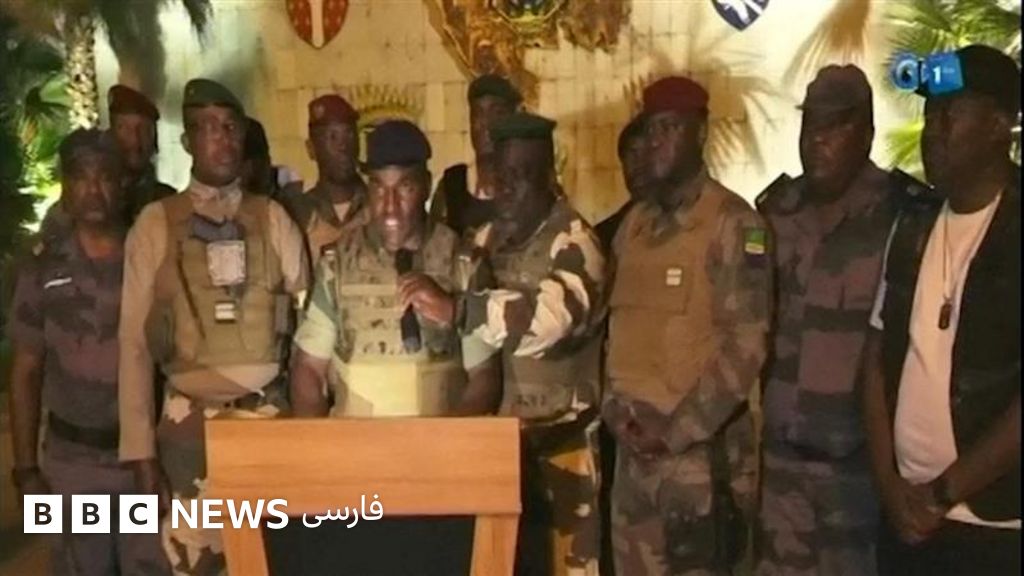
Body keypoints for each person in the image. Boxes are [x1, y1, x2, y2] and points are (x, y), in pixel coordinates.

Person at [274, 119, 501, 575]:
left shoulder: (461, 263)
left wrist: (445, 450)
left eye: (405, 189)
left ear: (427, 187)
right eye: (378, 189)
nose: (390, 206)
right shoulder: (339, 264)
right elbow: (308, 371)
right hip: (354, 481)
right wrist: (319, 459)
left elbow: (484, 378)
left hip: (438, 483)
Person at [117, 78, 309, 576]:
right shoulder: (155, 224)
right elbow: (133, 345)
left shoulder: (274, 219)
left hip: (268, 421)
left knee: (274, 561)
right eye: (208, 128)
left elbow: (311, 328)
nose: (222, 140)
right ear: (187, 141)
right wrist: (140, 453)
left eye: (230, 128)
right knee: (195, 562)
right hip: (188, 432)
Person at [862, 44, 1021, 576]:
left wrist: (942, 493)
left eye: (950, 114)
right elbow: (875, 360)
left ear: (998, 125)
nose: (932, 130)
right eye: (929, 114)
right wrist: (890, 485)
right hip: (904, 518)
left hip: (996, 527)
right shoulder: (913, 221)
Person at [603, 76, 772, 575]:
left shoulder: (734, 224)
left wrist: (675, 431)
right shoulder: (634, 226)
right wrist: (617, 413)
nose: (656, 141)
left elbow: (746, 346)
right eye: (650, 129)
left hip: (698, 464)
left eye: (670, 128)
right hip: (633, 461)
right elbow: (615, 331)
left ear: (700, 133)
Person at [754, 64, 904, 576]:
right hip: (781, 459)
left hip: (856, 465)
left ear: (867, 133)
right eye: (810, 123)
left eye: (835, 125)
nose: (817, 139)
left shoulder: (899, 214)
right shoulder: (776, 211)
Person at [450, 111, 607, 575]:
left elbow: (545, 323)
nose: (506, 188)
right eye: (500, 174)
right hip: (499, 448)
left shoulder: (576, 242)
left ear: (549, 176)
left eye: (521, 175)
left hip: (563, 447)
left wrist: (462, 309)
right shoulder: (483, 240)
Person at [8, 129, 170, 576]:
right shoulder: (41, 265)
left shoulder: (151, 257)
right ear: (66, 185)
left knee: (150, 567)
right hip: (71, 466)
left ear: (123, 184)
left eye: (105, 177)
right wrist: (26, 470)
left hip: (143, 461)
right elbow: (25, 370)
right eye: (81, 177)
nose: (94, 189)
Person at [41, 84, 176, 235]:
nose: (135, 140)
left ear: (155, 140)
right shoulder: (74, 205)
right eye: (124, 128)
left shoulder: (168, 202)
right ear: (110, 134)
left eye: (144, 130)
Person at [275, 94, 368, 264]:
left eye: (349, 134)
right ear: (311, 149)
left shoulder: (380, 206)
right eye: (332, 137)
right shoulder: (295, 213)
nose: (343, 146)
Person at [430, 73, 521, 238]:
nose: (485, 124)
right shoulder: (451, 185)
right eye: (478, 114)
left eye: (497, 114)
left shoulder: (528, 186)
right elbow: (433, 246)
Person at [596, 112, 653, 250]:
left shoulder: (695, 222)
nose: (639, 165)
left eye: (648, 153)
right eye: (632, 154)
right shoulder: (605, 235)